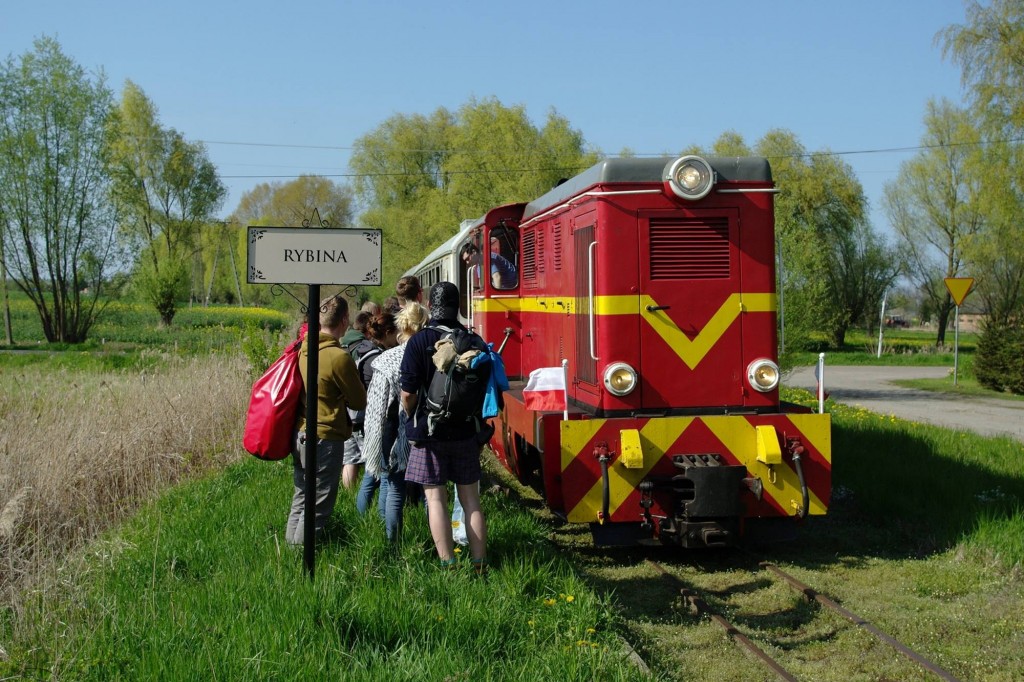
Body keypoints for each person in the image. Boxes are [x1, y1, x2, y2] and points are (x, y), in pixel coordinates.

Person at [400, 282, 488, 572]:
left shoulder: (418, 341)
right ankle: (478, 563)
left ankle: (448, 563)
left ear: (430, 305)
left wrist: (413, 415)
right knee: (471, 500)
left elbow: (408, 393)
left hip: (429, 433)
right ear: (458, 305)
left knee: (435, 498)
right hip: (465, 431)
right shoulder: (474, 341)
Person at [286, 294, 367, 546]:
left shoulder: (301, 348)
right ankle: (303, 558)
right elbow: (358, 401)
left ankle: (290, 551)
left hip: (299, 433)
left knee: (301, 496)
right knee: (319, 505)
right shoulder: (338, 357)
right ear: (344, 320)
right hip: (325, 437)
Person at [359, 303, 429, 541]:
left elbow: (375, 408)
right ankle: (437, 542)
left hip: (394, 431)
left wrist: (374, 443)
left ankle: (392, 543)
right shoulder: (434, 353)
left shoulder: (387, 359)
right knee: (431, 490)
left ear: (402, 326)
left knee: (394, 488)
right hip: (427, 430)